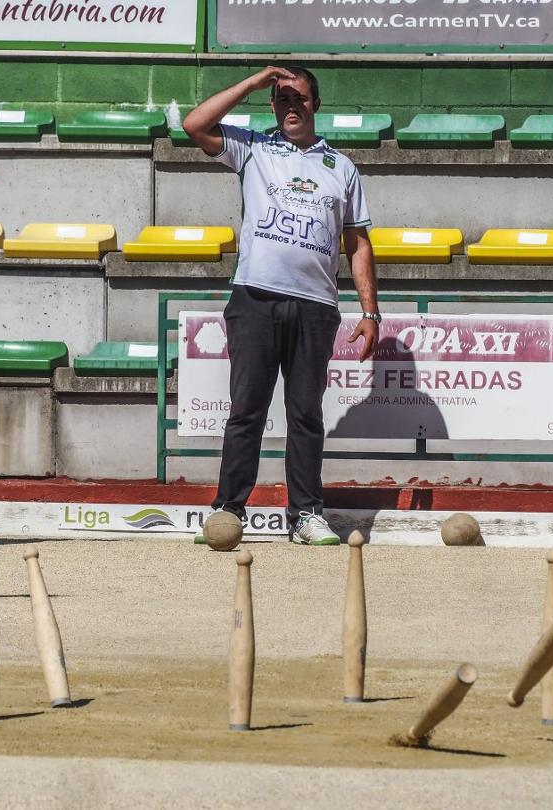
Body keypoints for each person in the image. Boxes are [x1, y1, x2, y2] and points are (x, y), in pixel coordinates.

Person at [183, 65, 381, 547]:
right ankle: (228, 509)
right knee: (246, 410)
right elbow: (194, 126)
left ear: (316, 104)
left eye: (300, 98)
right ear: (272, 106)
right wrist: (253, 83)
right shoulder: (252, 147)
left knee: (306, 414)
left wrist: (370, 312)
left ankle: (307, 515)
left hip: (316, 305)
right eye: (281, 99)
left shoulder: (343, 167)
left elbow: (358, 244)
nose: (290, 105)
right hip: (254, 297)